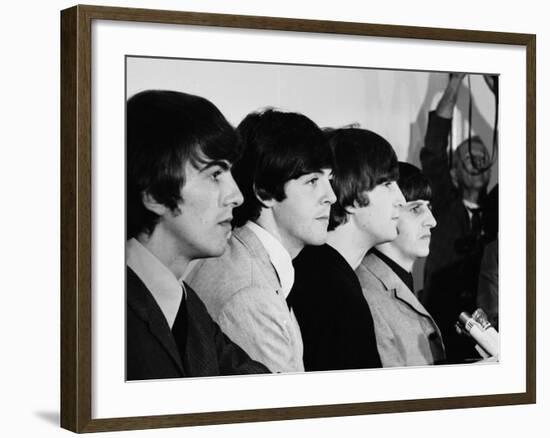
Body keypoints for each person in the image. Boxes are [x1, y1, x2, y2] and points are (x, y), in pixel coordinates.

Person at [126, 90, 269, 380]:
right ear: (154, 192)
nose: (237, 196)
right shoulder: (95, 315)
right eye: (215, 174)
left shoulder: (186, 302)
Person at [186, 109, 336, 373]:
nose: (331, 196)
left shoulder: (250, 260)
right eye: (312, 180)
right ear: (264, 192)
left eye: (329, 179)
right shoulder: (251, 295)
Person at [288, 128, 404, 371]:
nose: (401, 199)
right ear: (352, 195)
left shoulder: (320, 270)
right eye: (387, 184)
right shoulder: (332, 291)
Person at [420, 73, 496, 363]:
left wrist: (503, 90)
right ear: (454, 173)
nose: (478, 162)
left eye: (483, 157)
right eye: (469, 157)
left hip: (490, 334)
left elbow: (528, 145)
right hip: (441, 332)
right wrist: (455, 82)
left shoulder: (499, 209)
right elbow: (434, 148)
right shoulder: (442, 205)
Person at [356, 162, 446, 367]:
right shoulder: (367, 293)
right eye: (415, 209)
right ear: (389, 213)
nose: (432, 221)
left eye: (429, 207)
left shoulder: (395, 279)